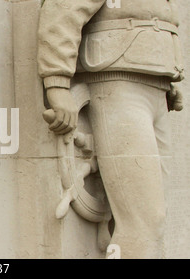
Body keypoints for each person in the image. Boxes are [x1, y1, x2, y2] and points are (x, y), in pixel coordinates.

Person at [38, 0, 184, 259]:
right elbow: (64, 9)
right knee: (143, 221)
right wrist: (57, 82)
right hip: (118, 84)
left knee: (155, 220)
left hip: (155, 87)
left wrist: (168, 75)